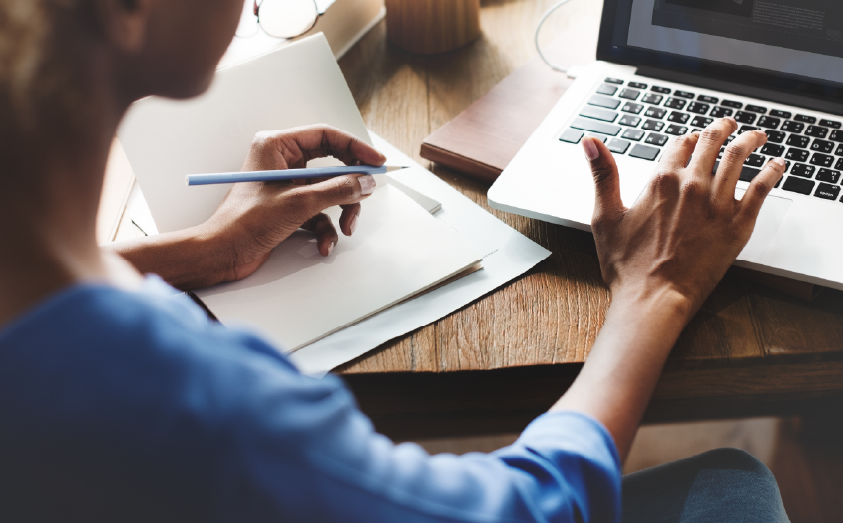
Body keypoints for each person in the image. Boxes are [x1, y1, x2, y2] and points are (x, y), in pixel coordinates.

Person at [0, 0, 789, 521]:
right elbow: (525, 506)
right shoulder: (198, 407)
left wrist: (200, 251)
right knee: (733, 488)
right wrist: (655, 291)